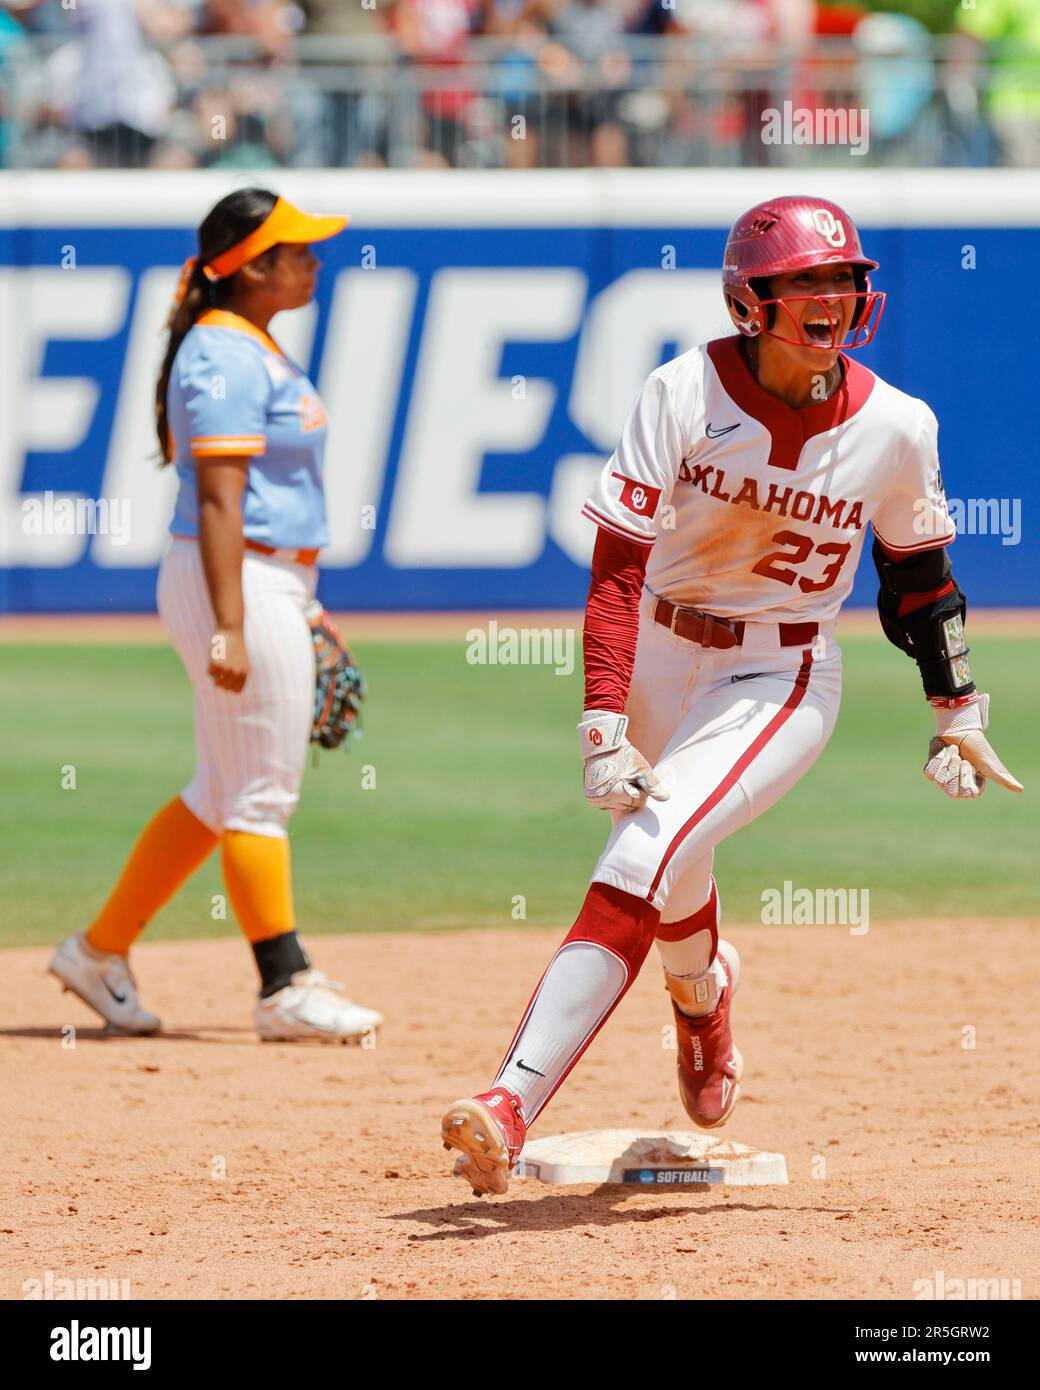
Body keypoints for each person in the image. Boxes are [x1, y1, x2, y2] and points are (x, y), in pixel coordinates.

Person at [440, 194, 1022, 1196]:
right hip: (661, 646)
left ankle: (508, 1100)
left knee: (646, 839)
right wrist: (601, 720)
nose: (830, 297)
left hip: (781, 669)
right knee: (672, 861)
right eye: (805, 280)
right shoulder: (681, 390)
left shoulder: (894, 425)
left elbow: (920, 582)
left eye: (842, 278)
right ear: (751, 299)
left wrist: (954, 709)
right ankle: (703, 1003)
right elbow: (617, 567)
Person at [50, 188, 383, 1043]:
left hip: (262, 579)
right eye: (296, 251)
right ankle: (284, 986)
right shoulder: (225, 356)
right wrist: (236, 623)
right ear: (252, 268)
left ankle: (98, 951)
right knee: (260, 796)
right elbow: (219, 503)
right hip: (233, 575)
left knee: (218, 791)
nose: (313, 263)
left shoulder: (246, 344)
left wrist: (294, 606)